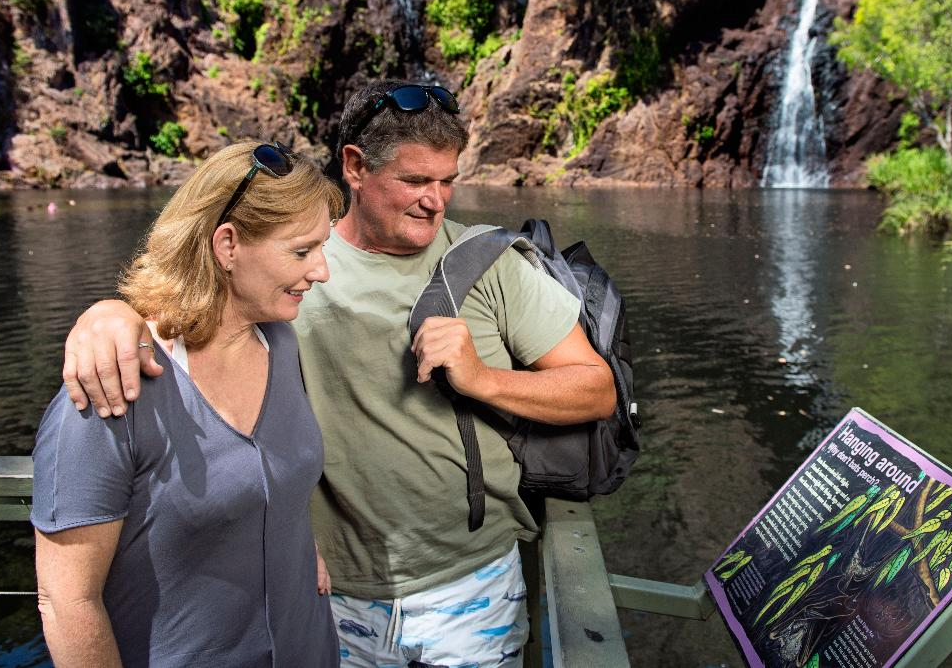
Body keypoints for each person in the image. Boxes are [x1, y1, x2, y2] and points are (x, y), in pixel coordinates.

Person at [59, 80, 616, 667]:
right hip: (324, 591)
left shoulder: (491, 264)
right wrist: (110, 314)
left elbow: (596, 388)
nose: (436, 200)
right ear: (354, 165)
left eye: (447, 180)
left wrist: (483, 378)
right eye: (414, 181)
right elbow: (193, 314)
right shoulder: (291, 267)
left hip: (470, 587)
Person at [33, 141, 343, 668]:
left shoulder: (280, 343)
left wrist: (287, 534)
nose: (322, 271)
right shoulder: (112, 388)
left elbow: (263, 474)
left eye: (322, 249)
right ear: (227, 245)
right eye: (301, 251)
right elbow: (68, 603)